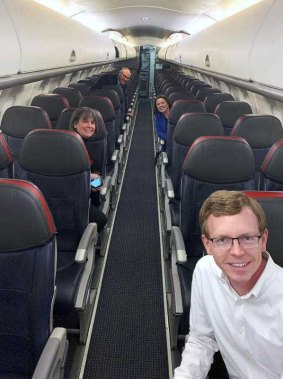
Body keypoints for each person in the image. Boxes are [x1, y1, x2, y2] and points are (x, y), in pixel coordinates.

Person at [174, 190, 283, 379]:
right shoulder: (205, 271)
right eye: (222, 240)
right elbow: (202, 338)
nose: (237, 251)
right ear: (207, 245)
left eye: (247, 238)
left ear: (263, 240)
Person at [69, 107, 107, 233]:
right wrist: (89, 178)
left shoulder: (90, 146)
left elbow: (96, 174)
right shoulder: (67, 146)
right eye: (85, 121)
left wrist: (97, 184)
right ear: (75, 124)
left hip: (84, 195)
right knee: (101, 220)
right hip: (68, 199)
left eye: (93, 122)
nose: (90, 126)